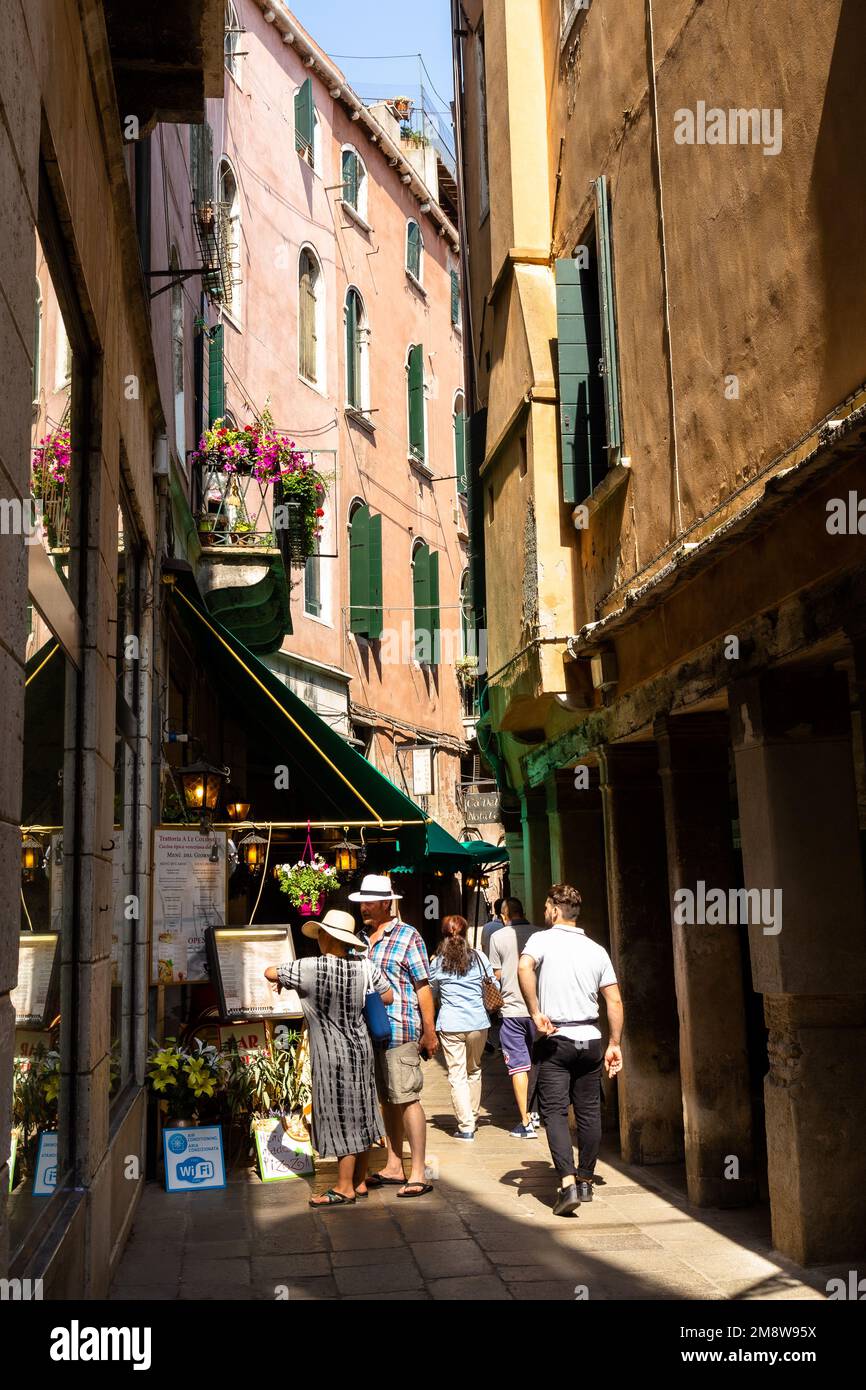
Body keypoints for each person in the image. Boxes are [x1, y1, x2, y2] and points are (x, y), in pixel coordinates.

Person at [264, 908, 394, 1208]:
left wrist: (287, 982)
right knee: (360, 1111)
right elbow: (387, 996)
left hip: (331, 1057)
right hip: (361, 1050)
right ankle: (360, 1181)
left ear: (324, 936)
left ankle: (344, 1187)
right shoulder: (364, 967)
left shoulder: (309, 968)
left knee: (341, 1117)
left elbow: (271, 971)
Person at [517, 883, 623, 1218]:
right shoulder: (596, 950)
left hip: (557, 1038)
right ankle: (587, 1179)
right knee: (590, 1112)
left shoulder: (541, 939)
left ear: (553, 908)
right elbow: (615, 1000)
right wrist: (615, 1043)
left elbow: (523, 968)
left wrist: (535, 1012)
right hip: (590, 1039)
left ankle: (567, 1185)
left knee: (555, 1113)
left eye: (547, 907)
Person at [350, 873, 438, 1198]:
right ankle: (393, 1165)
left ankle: (418, 1171)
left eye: (370, 902)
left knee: (408, 1098)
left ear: (387, 903)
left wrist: (430, 1031)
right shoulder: (360, 940)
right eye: (362, 903)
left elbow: (423, 986)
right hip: (370, 1033)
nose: (365, 908)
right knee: (387, 1100)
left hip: (400, 1029)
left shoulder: (408, 935)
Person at [429, 915, 495, 1141]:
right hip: (478, 1022)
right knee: (474, 1070)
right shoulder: (478, 957)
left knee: (457, 1075)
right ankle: (472, 1116)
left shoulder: (437, 962)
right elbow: (494, 984)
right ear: (465, 933)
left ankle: (466, 1125)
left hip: (450, 1024)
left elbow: (432, 993)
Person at [488, 896, 540, 1139]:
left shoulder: (498, 937)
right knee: (539, 1063)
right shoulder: (540, 934)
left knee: (519, 1066)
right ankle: (538, 1112)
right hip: (540, 1010)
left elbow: (496, 974)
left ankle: (525, 1121)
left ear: (504, 916)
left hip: (511, 1011)